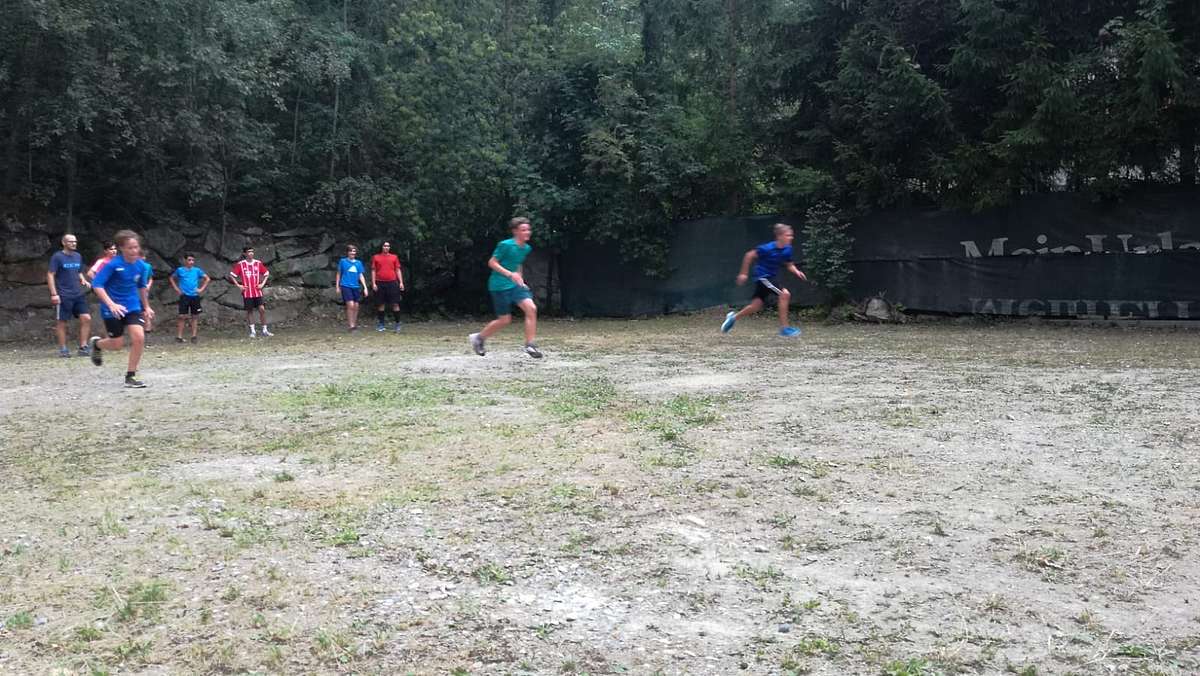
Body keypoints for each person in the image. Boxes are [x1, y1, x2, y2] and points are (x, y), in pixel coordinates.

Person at [88, 230, 155, 388]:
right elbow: (97, 285)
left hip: (132, 306)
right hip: (112, 308)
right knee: (117, 344)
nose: (134, 251)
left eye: (136, 247)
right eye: (130, 248)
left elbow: (142, 287)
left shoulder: (141, 266)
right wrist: (111, 304)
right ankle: (97, 345)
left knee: (139, 338)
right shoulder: (113, 265)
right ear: (122, 248)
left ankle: (130, 376)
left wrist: (146, 306)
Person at [468, 217, 542, 359]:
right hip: (499, 285)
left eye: (528, 229)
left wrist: (520, 278)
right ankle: (479, 338)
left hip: (515, 285)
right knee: (505, 320)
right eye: (523, 230)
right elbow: (492, 263)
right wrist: (510, 274)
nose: (527, 232)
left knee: (531, 308)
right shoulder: (505, 245)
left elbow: (517, 263)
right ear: (515, 231)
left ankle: (530, 345)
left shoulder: (526, 248)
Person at [721, 223, 808, 337]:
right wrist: (743, 273)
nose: (791, 237)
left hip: (770, 278)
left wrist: (797, 271)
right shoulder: (767, 248)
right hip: (763, 277)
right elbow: (749, 255)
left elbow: (789, 264)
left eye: (791, 235)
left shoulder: (788, 249)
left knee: (756, 306)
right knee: (785, 294)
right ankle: (785, 329)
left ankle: (733, 318)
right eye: (788, 235)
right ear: (779, 236)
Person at [47, 233, 93, 357]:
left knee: (86, 318)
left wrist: (83, 280)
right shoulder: (57, 257)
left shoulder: (78, 256)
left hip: (78, 294)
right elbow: (50, 274)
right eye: (71, 241)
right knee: (62, 322)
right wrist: (54, 294)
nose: (74, 243)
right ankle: (63, 349)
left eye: (75, 241)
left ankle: (83, 347)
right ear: (64, 243)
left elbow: (78, 271)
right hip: (63, 295)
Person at [228, 246, 272, 337]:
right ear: (245, 254)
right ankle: (253, 331)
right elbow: (232, 275)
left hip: (257, 291)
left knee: (262, 309)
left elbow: (266, 273)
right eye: (249, 252)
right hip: (247, 292)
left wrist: (262, 284)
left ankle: (265, 330)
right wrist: (239, 285)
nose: (251, 253)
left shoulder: (258, 263)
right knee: (249, 311)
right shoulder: (241, 264)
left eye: (252, 251)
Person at [170, 253, 210, 343]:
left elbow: (207, 279)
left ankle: (194, 336)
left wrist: (201, 289)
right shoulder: (180, 270)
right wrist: (177, 289)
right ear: (185, 260)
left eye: (193, 260)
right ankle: (179, 337)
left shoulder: (197, 270)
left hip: (194, 296)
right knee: (182, 316)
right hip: (184, 296)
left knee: (194, 316)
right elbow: (171, 278)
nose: (191, 262)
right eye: (189, 260)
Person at [370, 241, 405, 332]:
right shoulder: (376, 257)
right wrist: (373, 283)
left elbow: (398, 270)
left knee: (395, 303)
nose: (386, 247)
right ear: (382, 247)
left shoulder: (394, 257)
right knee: (381, 304)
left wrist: (401, 282)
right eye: (385, 246)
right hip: (380, 282)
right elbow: (373, 270)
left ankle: (398, 324)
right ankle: (381, 324)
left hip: (392, 282)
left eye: (388, 246)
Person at [335, 245, 369, 331]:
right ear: (347, 252)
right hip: (345, 285)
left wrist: (365, 287)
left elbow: (360, 275)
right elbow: (339, 273)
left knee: (356, 306)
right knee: (350, 305)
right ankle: (351, 326)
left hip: (355, 286)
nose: (352, 253)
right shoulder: (343, 261)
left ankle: (354, 324)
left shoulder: (358, 263)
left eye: (354, 251)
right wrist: (337, 286)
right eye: (351, 251)